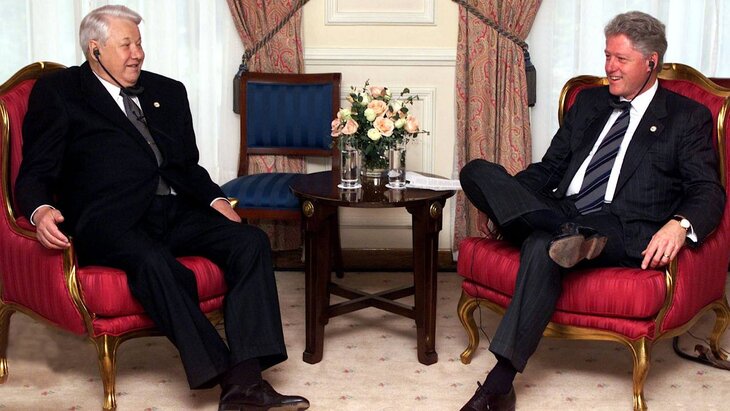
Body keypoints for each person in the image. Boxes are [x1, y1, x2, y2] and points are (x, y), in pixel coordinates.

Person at [15, 5, 309, 411]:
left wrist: (216, 199)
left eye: (139, 43)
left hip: (171, 209)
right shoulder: (60, 92)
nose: (138, 53)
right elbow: (36, 169)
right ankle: (233, 378)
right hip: (106, 219)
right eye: (126, 45)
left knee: (250, 242)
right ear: (95, 49)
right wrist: (41, 210)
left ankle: (244, 381)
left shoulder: (167, 91)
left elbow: (185, 165)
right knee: (154, 263)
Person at [458, 11, 725, 411]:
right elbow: (549, 168)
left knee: (541, 244)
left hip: (618, 225)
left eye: (621, 59)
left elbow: (707, 189)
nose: (609, 67)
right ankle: (562, 229)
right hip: (564, 207)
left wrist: (679, 225)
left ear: (651, 62)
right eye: (607, 56)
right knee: (477, 171)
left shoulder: (686, 117)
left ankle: (498, 385)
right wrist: (508, 200)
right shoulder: (589, 102)